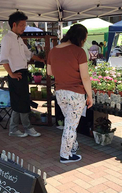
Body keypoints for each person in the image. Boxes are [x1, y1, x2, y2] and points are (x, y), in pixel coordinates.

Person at [47, 24, 93, 163]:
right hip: (76, 94)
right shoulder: (78, 52)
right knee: (71, 125)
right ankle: (65, 155)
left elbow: (49, 72)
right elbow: (85, 77)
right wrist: (90, 96)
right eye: (84, 39)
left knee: (69, 122)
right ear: (80, 38)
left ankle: (72, 147)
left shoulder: (53, 51)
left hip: (60, 92)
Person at [0, 11, 44, 137]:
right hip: (16, 74)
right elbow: (3, 59)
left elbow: (28, 54)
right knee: (22, 102)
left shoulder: (18, 39)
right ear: (14, 24)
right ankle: (26, 127)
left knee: (20, 101)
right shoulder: (7, 39)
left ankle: (14, 128)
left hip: (22, 73)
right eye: (22, 25)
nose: (24, 27)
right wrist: (12, 74)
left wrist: (40, 59)